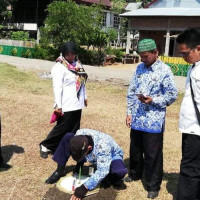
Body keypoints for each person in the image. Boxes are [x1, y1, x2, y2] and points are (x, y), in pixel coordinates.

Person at [125, 39, 178, 199]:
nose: (143, 60)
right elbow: (132, 90)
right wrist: (129, 112)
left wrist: (153, 100)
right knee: (135, 150)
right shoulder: (139, 68)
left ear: (155, 53)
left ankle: (153, 185)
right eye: (141, 56)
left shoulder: (165, 70)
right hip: (137, 117)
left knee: (152, 154)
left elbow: (172, 95)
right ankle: (134, 174)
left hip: (153, 121)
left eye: (146, 56)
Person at [45, 128, 128, 200]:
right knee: (68, 136)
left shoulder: (103, 146)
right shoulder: (79, 134)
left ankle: (111, 177)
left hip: (112, 156)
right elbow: (78, 147)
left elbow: (103, 170)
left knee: (119, 171)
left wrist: (84, 187)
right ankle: (60, 170)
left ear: (89, 148)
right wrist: (79, 163)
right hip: (94, 156)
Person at [40, 41, 88, 158]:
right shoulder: (59, 67)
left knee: (74, 129)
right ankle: (45, 145)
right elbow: (57, 87)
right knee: (62, 128)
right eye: (68, 54)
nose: (70, 56)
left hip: (77, 103)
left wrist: (85, 97)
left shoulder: (78, 65)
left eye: (72, 54)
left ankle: (69, 147)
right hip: (66, 104)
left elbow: (82, 83)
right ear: (63, 54)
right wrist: (58, 105)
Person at [176, 28, 200, 200]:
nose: (183, 58)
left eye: (185, 53)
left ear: (198, 48)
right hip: (192, 128)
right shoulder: (194, 67)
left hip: (195, 130)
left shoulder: (198, 72)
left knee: (190, 169)